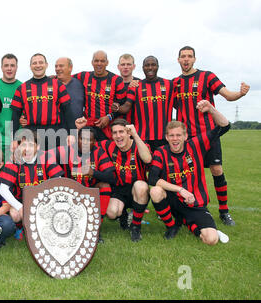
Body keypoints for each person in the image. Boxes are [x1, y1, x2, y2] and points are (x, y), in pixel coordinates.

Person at [173, 45, 250, 226]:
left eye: (189, 56)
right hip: (188, 140)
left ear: (194, 59)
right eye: (183, 56)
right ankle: (193, 209)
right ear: (178, 60)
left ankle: (224, 211)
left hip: (209, 135)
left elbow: (228, 96)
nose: (186, 59)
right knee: (190, 175)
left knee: (217, 170)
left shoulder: (207, 76)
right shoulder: (174, 82)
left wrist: (240, 93)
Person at [149, 100, 231, 245]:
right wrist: (180, 190)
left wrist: (211, 109)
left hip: (195, 203)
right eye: (171, 136)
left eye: (178, 135)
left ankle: (188, 223)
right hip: (173, 200)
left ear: (185, 136)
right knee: (155, 191)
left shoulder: (196, 145)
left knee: (211, 240)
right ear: (167, 137)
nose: (175, 139)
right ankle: (171, 226)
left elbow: (225, 125)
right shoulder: (160, 152)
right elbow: (152, 178)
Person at [47, 126, 115, 243]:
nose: (84, 143)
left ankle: (95, 228)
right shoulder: (67, 150)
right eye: (82, 139)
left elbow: (111, 177)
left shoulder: (98, 152)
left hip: (89, 194)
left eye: (89, 140)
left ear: (94, 142)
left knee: (105, 186)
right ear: (77, 139)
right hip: (68, 194)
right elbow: (44, 155)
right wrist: (59, 175)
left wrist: (93, 172)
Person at [0, 129, 65, 240]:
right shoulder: (13, 160)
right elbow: (3, 189)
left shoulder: (46, 157)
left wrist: (49, 203)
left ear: (38, 147)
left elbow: (58, 181)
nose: (27, 149)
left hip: (44, 201)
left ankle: (46, 227)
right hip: (22, 202)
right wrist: (19, 207)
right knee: (15, 214)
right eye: (24, 145)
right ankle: (20, 228)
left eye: (31, 145)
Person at [99, 119, 152, 242]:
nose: (118, 136)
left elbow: (148, 159)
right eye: (115, 133)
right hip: (119, 190)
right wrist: (78, 130)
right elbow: (87, 143)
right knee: (111, 213)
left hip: (137, 189)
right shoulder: (109, 146)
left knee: (141, 186)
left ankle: (136, 226)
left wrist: (135, 135)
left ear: (128, 132)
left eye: (121, 132)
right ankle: (123, 215)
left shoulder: (139, 145)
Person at [10, 53, 75, 151]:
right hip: (31, 135)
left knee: (54, 165)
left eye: (41, 62)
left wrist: (72, 134)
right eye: (34, 63)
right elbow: (15, 116)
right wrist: (14, 139)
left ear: (46, 65)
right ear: (30, 66)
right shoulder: (22, 88)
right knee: (33, 165)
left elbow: (68, 111)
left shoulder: (58, 85)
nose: (38, 65)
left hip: (55, 134)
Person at [117, 56, 174, 151]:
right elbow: (126, 107)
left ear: (158, 66)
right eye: (147, 65)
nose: (150, 68)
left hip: (163, 136)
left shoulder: (169, 84)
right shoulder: (136, 86)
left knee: (162, 164)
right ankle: (85, 164)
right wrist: (116, 108)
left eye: (153, 65)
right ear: (143, 68)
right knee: (87, 155)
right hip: (143, 137)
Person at [73, 50, 127, 140]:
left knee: (106, 152)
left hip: (108, 129)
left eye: (102, 61)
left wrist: (109, 117)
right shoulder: (84, 76)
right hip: (88, 126)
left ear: (107, 62)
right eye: (96, 61)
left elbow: (122, 106)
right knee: (87, 152)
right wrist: (52, 78)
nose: (99, 63)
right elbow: (67, 78)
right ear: (92, 62)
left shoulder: (116, 80)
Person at [0, 54, 22, 159]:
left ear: (17, 67)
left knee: (13, 174)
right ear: (1, 67)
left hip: (16, 141)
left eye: (12, 65)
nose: (9, 68)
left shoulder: (23, 87)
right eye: (6, 65)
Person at [54, 57, 85, 122]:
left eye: (61, 66)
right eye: (56, 66)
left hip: (76, 128)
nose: (57, 69)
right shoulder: (50, 84)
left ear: (70, 68)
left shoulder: (80, 85)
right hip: (55, 129)